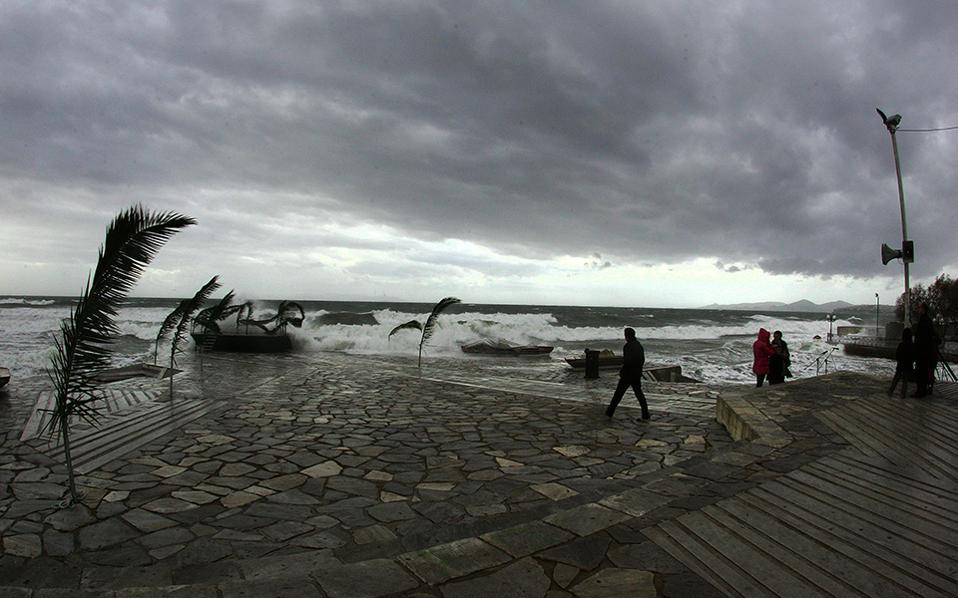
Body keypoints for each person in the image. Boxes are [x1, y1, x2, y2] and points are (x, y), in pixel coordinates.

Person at [605, 327, 650, 420]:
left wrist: (622, 371)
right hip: (636, 374)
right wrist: (639, 370)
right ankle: (645, 413)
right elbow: (642, 360)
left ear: (627, 336)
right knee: (639, 394)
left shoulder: (627, 346)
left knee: (618, 394)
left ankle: (610, 412)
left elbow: (627, 361)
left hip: (628, 374)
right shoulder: (638, 345)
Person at [913, 302, 939, 397]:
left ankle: (920, 391)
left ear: (923, 309)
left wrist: (917, 348)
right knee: (925, 372)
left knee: (920, 372)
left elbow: (921, 336)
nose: (918, 309)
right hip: (926, 351)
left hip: (922, 351)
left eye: (919, 308)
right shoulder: (928, 320)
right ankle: (924, 390)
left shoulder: (923, 320)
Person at [888, 328, 914, 398]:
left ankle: (891, 391)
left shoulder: (901, 344)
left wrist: (899, 360)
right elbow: (913, 356)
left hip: (901, 364)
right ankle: (903, 394)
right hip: (908, 365)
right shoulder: (912, 345)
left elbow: (897, 355)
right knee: (905, 380)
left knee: (896, 378)